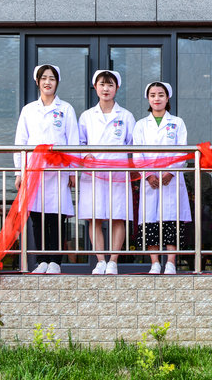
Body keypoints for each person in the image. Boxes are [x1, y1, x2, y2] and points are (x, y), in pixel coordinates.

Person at [14, 64, 78, 274]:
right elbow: (20, 141)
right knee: (37, 216)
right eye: (44, 78)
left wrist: (72, 171)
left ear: (57, 82)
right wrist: (19, 172)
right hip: (34, 171)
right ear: (37, 82)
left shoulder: (66, 109)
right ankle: (41, 260)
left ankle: (55, 262)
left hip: (58, 170)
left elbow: (73, 141)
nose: (47, 82)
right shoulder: (29, 110)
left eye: (52, 78)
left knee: (56, 216)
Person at [78, 70, 135, 275]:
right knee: (95, 216)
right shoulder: (86, 116)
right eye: (102, 84)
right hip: (93, 173)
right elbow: (80, 144)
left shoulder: (126, 116)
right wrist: (85, 158)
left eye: (110, 85)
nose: (106, 88)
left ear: (116, 88)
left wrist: (127, 165)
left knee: (117, 215)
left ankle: (113, 260)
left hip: (118, 172)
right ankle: (100, 260)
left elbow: (133, 146)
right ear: (95, 87)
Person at [133, 82, 191, 274]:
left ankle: (171, 263)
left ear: (168, 98)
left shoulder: (178, 123)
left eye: (160, 95)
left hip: (171, 180)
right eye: (152, 95)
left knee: (171, 220)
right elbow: (136, 153)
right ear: (148, 99)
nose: (156, 99)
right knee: (151, 220)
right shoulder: (141, 125)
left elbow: (183, 150)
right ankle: (155, 262)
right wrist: (148, 175)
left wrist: (171, 172)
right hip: (151, 181)